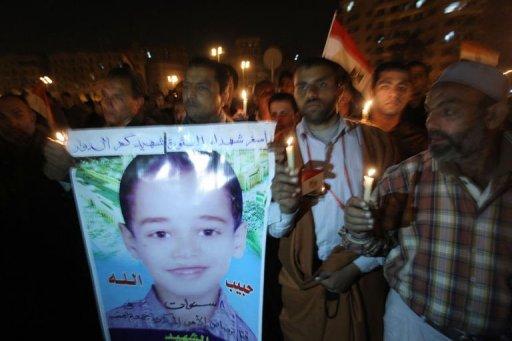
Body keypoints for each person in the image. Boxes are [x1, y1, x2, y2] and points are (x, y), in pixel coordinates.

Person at [344, 60, 511, 340]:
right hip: (415, 326)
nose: (432, 122)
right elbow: (374, 244)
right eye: (430, 110)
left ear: (493, 116)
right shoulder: (407, 176)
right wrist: (360, 227)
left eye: (448, 110)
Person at [268, 57, 399, 340]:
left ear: (340, 89)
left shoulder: (376, 142)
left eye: (322, 84)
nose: (311, 94)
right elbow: (275, 229)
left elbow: (394, 222)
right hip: (304, 286)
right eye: (302, 86)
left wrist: (354, 268)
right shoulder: (276, 149)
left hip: (364, 278)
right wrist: (287, 208)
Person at [108, 151, 256, 341]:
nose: (186, 252)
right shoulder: (115, 328)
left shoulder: (246, 337)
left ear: (238, 239)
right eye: (161, 234)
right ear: (131, 241)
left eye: (208, 231)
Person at [1, 94, 101, 338]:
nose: (11, 123)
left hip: (62, 262)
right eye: (3, 118)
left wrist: (68, 177)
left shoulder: (52, 151)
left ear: (32, 116)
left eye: (17, 114)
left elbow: (87, 203)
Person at [43, 65, 156, 181]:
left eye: (117, 97)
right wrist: (63, 170)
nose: (107, 103)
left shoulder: (153, 140)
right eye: (104, 95)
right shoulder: (94, 133)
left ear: (138, 103)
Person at [369, 61, 427, 160]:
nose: (394, 94)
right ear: (372, 91)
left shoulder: (418, 142)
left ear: (410, 94)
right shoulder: (350, 131)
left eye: (402, 87)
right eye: (385, 87)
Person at [182, 58, 233, 124]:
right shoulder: (171, 133)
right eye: (186, 87)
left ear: (224, 96)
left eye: (201, 88)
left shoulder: (239, 133)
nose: (189, 95)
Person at [402, 61, 430, 129]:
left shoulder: (433, 107)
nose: (413, 81)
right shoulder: (399, 107)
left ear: (426, 79)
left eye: (418, 76)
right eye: (410, 77)